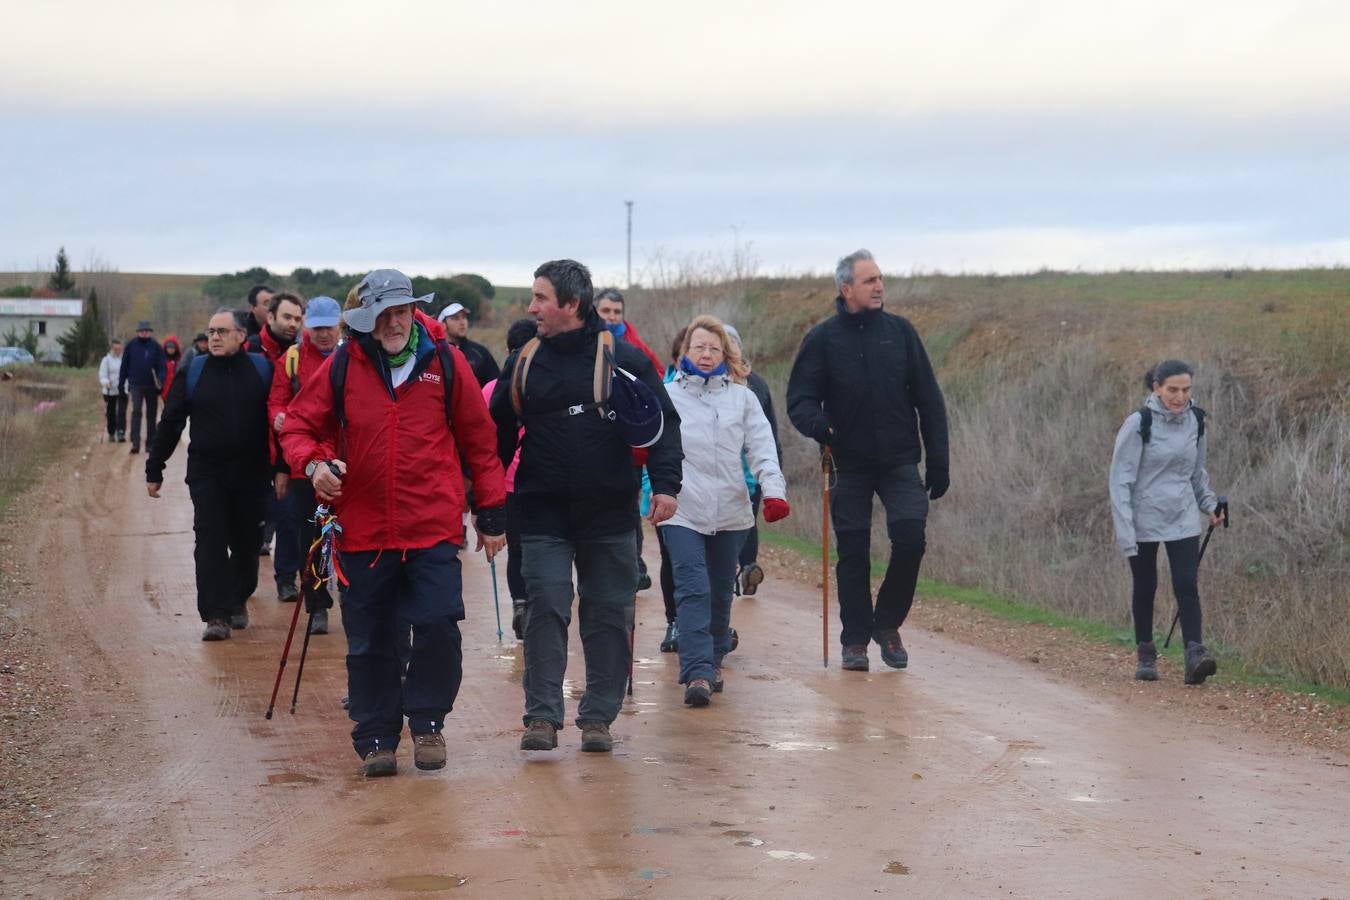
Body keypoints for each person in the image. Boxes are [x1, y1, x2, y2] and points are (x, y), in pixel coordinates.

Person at [282, 269, 507, 778]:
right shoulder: (345, 364)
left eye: (399, 312)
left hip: (431, 526)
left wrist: (491, 512)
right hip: (363, 531)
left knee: (437, 626)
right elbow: (298, 425)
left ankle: (427, 722)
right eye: (381, 315)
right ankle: (377, 735)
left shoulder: (445, 362)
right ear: (367, 319)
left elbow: (479, 439)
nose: (392, 324)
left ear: (412, 312)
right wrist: (315, 465)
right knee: (369, 639)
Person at [490, 259, 682, 754]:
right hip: (543, 513)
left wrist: (666, 485)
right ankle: (542, 717)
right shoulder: (524, 361)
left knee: (608, 615)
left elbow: (664, 423)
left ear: (570, 305)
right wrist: (486, 502)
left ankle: (598, 716)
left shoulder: (625, 358)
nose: (531, 307)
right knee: (546, 607)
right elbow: (497, 438)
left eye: (540, 298)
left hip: (610, 513)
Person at [787, 249, 949, 672]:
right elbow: (799, 400)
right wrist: (821, 426)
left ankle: (887, 624)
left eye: (880, 278)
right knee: (853, 551)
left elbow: (929, 400)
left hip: (899, 460)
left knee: (911, 539)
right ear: (846, 289)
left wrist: (939, 459)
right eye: (868, 280)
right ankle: (855, 640)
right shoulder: (823, 339)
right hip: (849, 463)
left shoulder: (901, 333)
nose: (879, 286)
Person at [660, 316, 787, 706]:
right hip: (683, 509)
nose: (706, 354)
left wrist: (773, 492)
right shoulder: (667, 395)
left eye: (714, 348)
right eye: (699, 346)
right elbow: (649, 446)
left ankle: (713, 660)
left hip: (731, 511)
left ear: (725, 355)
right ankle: (696, 672)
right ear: (685, 351)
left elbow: (762, 448)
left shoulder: (743, 398)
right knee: (693, 587)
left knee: (718, 591)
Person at [145, 309, 273, 639]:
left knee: (247, 543)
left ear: (241, 336)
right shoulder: (194, 370)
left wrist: (284, 469)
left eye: (222, 332)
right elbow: (172, 421)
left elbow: (279, 422)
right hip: (207, 473)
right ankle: (216, 615)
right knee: (210, 540)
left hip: (252, 473)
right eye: (211, 331)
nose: (214, 337)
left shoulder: (262, 370)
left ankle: (238, 599)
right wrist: (154, 466)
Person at [1109, 359, 1223, 685]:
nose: (1180, 396)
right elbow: (1120, 481)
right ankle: (1146, 653)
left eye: (1186, 390)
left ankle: (1194, 655)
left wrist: (1210, 505)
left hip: (1182, 516)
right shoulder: (1138, 423)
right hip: (1143, 518)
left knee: (1187, 584)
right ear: (1157, 388)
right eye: (1173, 389)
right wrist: (1125, 531)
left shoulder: (1196, 422)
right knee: (1146, 586)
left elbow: (1197, 474)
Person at [268, 295, 342, 635]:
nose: (323, 334)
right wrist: (280, 418)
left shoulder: (352, 356)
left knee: (349, 534)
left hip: (344, 463)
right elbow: (276, 403)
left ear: (340, 324)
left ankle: (353, 595)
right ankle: (317, 603)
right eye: (317, 327)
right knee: (309, 536)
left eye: (329, 326)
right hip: (304, 465)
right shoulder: (292, 359)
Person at [595, 287, 664, 592]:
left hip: (628, 444)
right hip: (591, 442)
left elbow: (658, 383)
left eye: (616, 312)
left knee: (627, 506)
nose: (611, 317)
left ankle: (632, 564)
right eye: (606, 311)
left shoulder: (636, 347)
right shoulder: (584, 342)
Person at [480, 318, 537, 640]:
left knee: (517, 550)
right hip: (537, 480)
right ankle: (532, 603)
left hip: (506, 483)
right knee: (538, 547)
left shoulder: (491, 388)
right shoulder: (542, 382)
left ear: (507, 351)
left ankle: (520, 603)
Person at [723, 324, 783, 597]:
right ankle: (738, 568)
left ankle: (746, 569)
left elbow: (768, 429)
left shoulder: (756, 383)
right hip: (720, 467)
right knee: (735, 520)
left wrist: (774, 471)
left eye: (733, 344)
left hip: (751, 467)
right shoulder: (703, 382)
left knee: (747, 518)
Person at [251, 292, 305, 588]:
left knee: (289, 516)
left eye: (298, 319)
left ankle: (286, 579)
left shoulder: (302, 354)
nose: (292, 324)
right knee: (251, 520)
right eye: (287, 317)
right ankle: (242, 583)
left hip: (286, 451)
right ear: (269, 317)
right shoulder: (250, 349)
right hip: (252, 448)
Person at [118, 320, 167, 455]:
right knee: (136, 411)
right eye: (141, 331)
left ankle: (150, 444)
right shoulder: (130, 346)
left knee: (151, 415)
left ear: (150, 332)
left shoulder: (156, 347)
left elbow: (162, 367)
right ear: (138, 332)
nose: (144, 333)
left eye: (146, 331)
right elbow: (124, 366)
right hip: (135, 384)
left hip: (152, 385)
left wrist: (160, 382)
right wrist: (121, 384)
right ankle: (135, 443)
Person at [438, 301, 500, 388]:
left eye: (464, 317)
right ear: (442, 324)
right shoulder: (434, 353)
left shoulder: (480, 353)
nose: (462, 322)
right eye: (456, 318)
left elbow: (495, 387)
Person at [98, 339, 127, 442]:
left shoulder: (124, 359)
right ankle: (111, 432)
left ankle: (121, 432)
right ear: (112, 349)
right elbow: (102, 375)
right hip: (110, 390)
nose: (117, 351)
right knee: (111, 412)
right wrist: (106, 382)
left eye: (119, 349)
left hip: (122, 389)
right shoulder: (106, 360)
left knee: (122, 412)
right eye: (115, 349)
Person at [160, 335, 182, 401]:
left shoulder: (180, 361)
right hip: (163, 391)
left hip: (176, 391)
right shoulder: (161, 361)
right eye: (168, 347)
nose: (170, 349)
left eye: (172, 347)